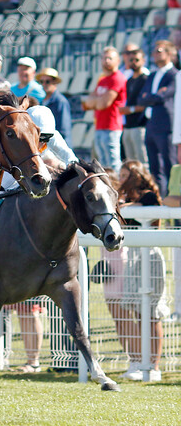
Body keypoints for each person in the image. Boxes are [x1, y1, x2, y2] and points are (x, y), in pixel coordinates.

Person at [104, 160, 169, 382]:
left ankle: (155, 366)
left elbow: (138, 209)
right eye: (120, 175)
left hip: (150, 257)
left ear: (136, 175)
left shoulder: (148, 196)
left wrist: (119, 204)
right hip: (132, 259)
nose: (121, 179)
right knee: (137, 312)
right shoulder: (125, 199)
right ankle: (139, 362)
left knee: (151, 313)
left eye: (125, 175)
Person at [137, 40, 178, 195]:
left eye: (159, 51)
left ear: (169, 53)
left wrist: (151, 97)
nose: (155, 54)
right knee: (154, 168)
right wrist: (153, 96)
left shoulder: (174, 74)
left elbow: (164, 96)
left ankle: (174, 199)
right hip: (151, 125)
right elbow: (141, 98)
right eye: (154, 51)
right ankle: (160, 199)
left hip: (165, 126)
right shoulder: (152, 74)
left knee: (169, 166)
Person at [82, 47, 126, 172]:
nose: (106, 61)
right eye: (104, 58)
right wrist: (97, 101)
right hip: (100, 125)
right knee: (103, 164)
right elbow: (87, 103)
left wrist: (96, 101)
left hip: (111, 125)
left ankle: (117, 188)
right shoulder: (102, 79)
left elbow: (103, 104)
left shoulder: (117, 78)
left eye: (110, 58)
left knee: (113, 163)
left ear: (117, 60)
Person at [119, 48, 149, 165]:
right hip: (128, 126)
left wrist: (130, 110)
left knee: (142, 162)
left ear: (143, 60)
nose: (134, 62)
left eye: (137, 59)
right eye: (131, 60)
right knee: (131, 163)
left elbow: (145, 104)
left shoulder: (146, 79)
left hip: (140, 125)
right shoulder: (129, 80)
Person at [37, 67, 72, 146]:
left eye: (47, 81)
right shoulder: (42, 102)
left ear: (55, 83)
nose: (44, 84)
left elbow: (64, 129)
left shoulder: (60, 101)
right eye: (41, 81)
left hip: (58, 147)